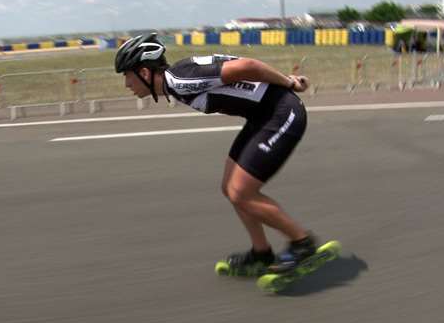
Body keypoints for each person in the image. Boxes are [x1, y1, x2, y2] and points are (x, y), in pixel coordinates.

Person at [115, 33, 318, 276]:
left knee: (241, 192)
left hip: (281, 114)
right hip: (261, 117)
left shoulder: (181, 80)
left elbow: (248, 66)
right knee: (229, 188)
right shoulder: (177, 80)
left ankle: (302, 243)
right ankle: (261, 252)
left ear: (144, 73)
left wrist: (289, 83)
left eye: (127, 75)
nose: (127, 84)